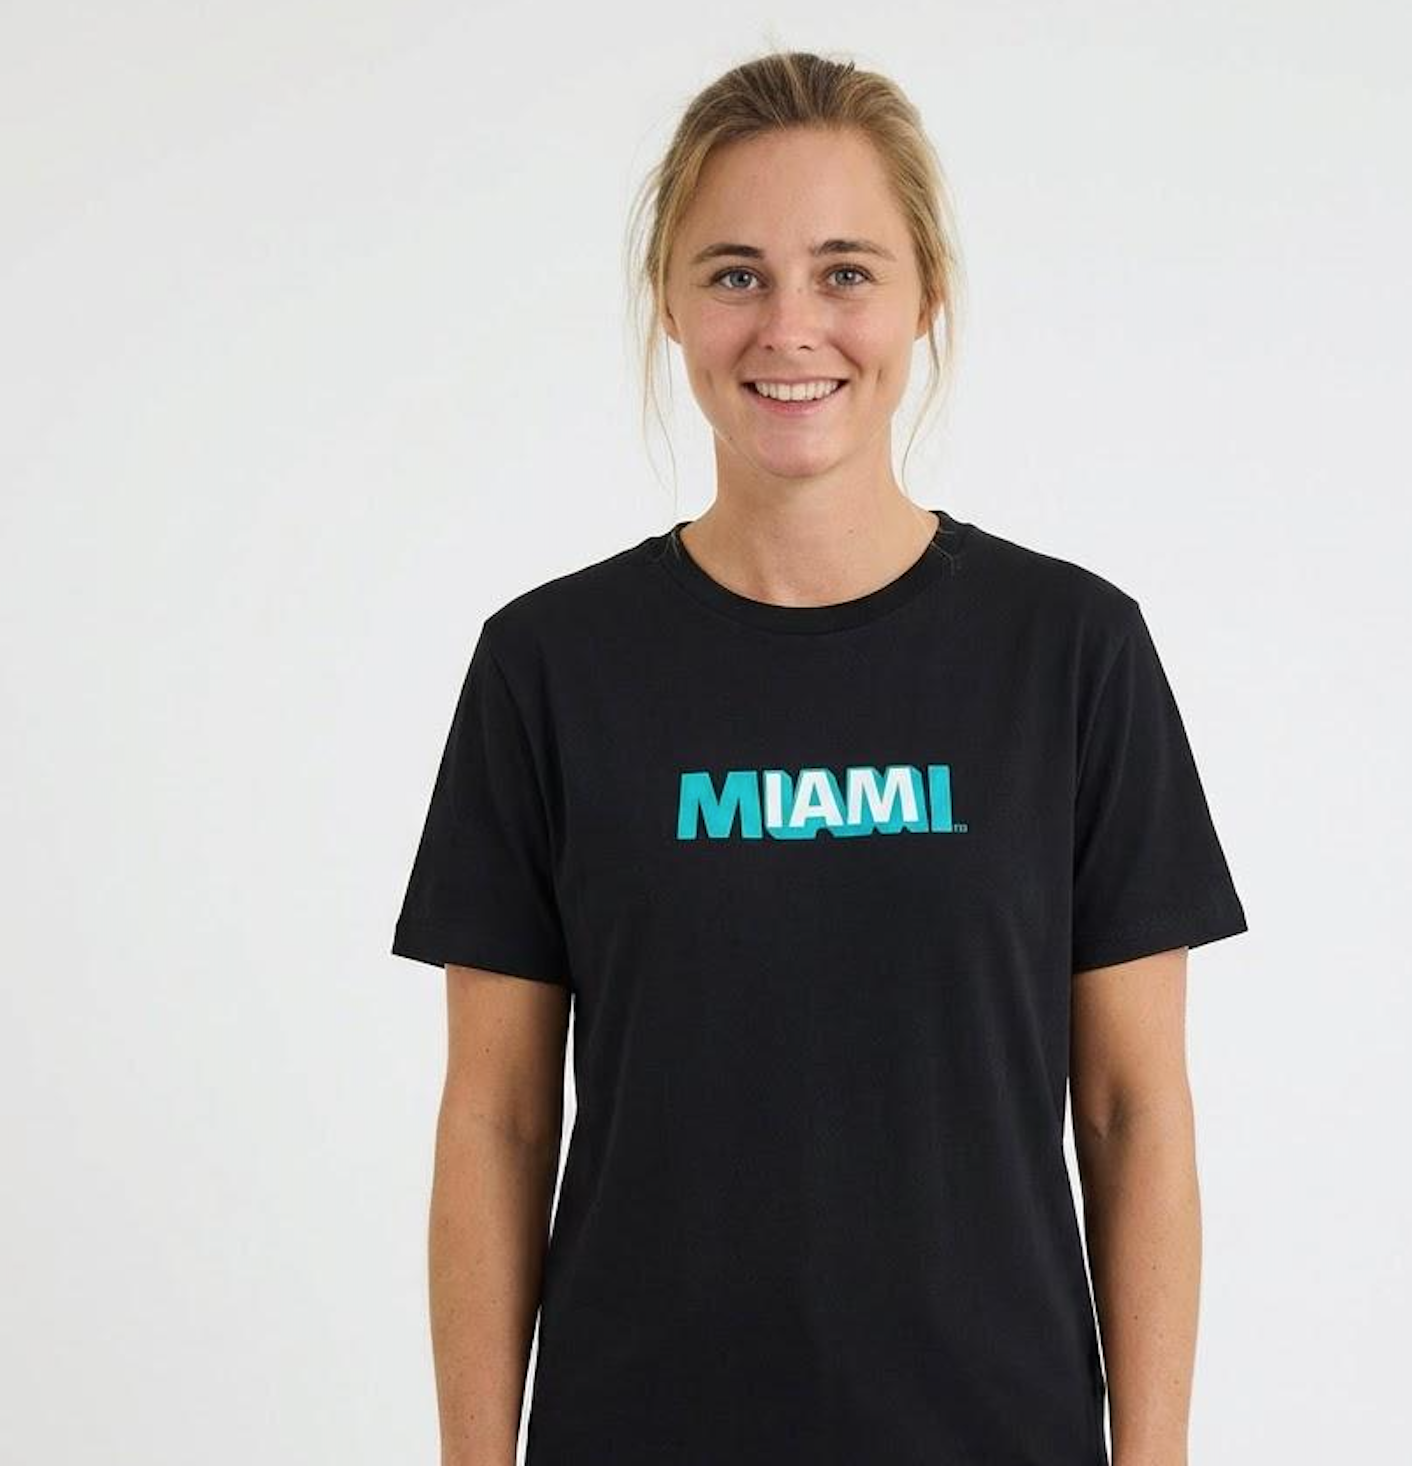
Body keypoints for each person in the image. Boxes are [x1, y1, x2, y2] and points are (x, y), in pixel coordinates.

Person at [392, 48, 1248, 1466]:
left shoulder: (1070, 652)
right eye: (735, 274)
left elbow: (1131, 1111)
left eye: (845, 271)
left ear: (925, 296)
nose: (790, 326)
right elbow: (496, 1120)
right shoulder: (549, 667)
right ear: (670, 303)